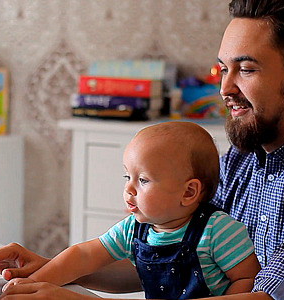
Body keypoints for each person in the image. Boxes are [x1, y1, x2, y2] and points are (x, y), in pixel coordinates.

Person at [0, 0, 284, 299]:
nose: (225, 88)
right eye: (224, 68)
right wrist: (52, 271)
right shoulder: (241, 158)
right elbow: (179, 266)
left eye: (247, 69)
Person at [13, 122, 259, 299]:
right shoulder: (134, 228)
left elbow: (248, 280)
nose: (128, 189)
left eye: (143, 180)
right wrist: (31, 284)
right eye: (127, 176)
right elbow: (84, 256)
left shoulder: (219, 230)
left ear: (188, 192)